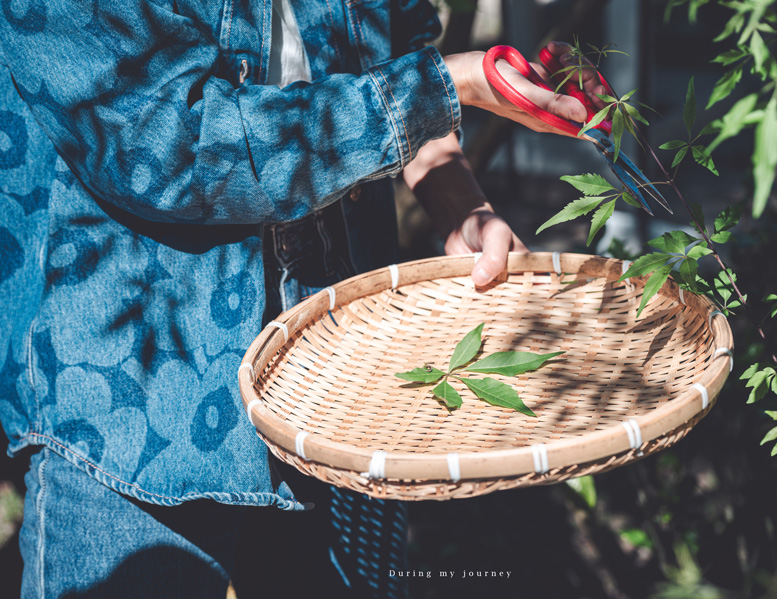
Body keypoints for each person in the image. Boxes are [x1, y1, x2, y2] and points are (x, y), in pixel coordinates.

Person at [0, 0, 606, 597]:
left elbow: (398, 35)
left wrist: (459, 204)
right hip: (139, 400)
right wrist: (442, 87)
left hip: (342, 366)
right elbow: (168, 144)